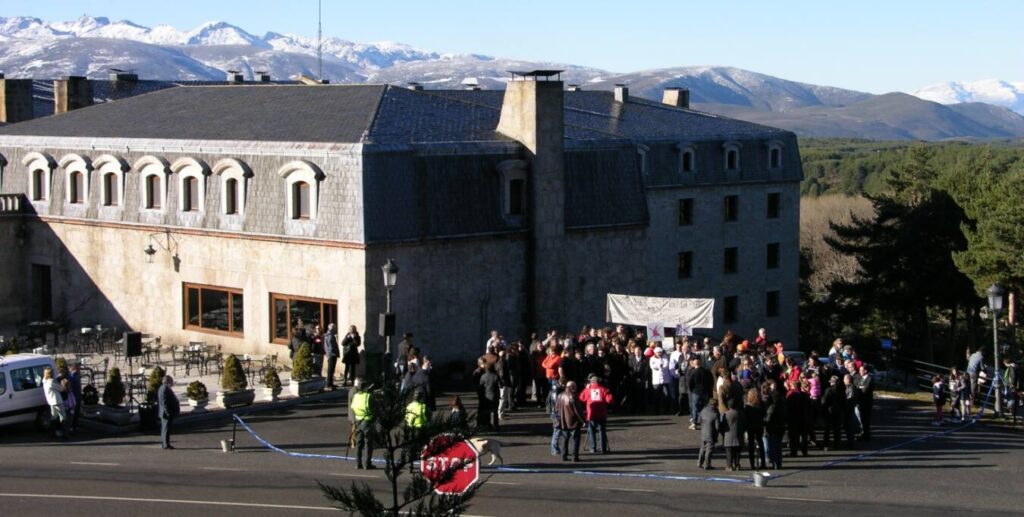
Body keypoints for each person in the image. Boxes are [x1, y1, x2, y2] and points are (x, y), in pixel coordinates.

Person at [580, 375, 613, 454]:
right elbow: (610, 400)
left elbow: (581, 398)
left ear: (591, 382)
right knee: (602, 431)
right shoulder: (603, 389)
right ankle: (603, 449)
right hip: (602, 414)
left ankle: (593, 448)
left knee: (591, 431)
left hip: (591, 414)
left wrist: (586, 388)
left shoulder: (588, 390)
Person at [351, 382, 376, 469]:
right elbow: (373, 408)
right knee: (368, 443)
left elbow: (353, 407)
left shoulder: (356, 396)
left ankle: (358, 463)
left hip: (358, 420)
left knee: (358, 443)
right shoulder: (368, 396)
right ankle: (367, 463)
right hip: (367, 421)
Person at [557, 380, 583, 462]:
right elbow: (577, 411)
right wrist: (583, 420)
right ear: (573, 387)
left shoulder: (560, 395)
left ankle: (564, 455)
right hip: (573, 421)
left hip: (563, 420)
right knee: (576, 439)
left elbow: (556, 408)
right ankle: (575, 456)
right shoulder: (573, 396)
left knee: (565, 439)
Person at [686, 356, 712, 429]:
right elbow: (710, 381)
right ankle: (705, 421)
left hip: (696, 392)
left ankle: (694, 422)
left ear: (695, 364)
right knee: (705, 407)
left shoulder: (694, 372)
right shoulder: (706, 371)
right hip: (705, 391)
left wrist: (692, 390)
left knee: (695, 407)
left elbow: (690, 383)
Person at [744, 387, 766, 470]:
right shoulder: (761, 405)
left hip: (750, 427)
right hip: (759, 426)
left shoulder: (748, 406)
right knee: (760, 443)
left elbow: (745, 417)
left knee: (751, 445)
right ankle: (763, 462)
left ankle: (752, 464)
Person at [43, 367, 67, 439]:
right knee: (63, 416)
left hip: (51, 401)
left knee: (54, 417)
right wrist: (64, 385)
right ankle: (63, 433)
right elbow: (61, 389)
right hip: (57, 401)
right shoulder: (51, 382)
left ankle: (52, 433)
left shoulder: (44, 381)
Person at [821, 375, 844, 450]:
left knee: (827, 430)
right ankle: (837, 445)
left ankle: (826, 445)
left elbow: (824, 401)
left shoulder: (829, 390)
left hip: (829, 411)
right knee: (837, 430)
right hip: (838, 411)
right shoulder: (842, 390)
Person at [158, 375, 180, 449]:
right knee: (166, 429)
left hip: (165, 412)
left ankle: (165, 443)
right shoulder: (165, 389)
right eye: (171, 380)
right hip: (166, 413)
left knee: (165, 429)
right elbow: (165, 402)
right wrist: (168, 412)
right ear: (168, 381)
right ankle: (166, 444)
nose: (172, 382)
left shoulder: (164, 388)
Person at [723, 396, 744, 471]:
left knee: (729, 452)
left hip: (728, 436)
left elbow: (723, 425)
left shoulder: (726, 414)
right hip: (738, 436)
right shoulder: (741, 413)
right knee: (738, 452)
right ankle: (737, 465)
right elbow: (744, 424)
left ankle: (729, 465)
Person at [697, 399, 719, 470]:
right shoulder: (715, 414)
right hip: (711, 434)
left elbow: (699, 420)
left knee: (702, 448)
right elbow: (717, 427)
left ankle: (699, 462)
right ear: (716, 405)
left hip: (703, 433)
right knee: (709, 449)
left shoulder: (703, 410)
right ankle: (707, 464)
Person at [479, 364, 501, 431]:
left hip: (487, 396)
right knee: (495, 411)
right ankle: (495, 424)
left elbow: (480, 386)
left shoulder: (483, 376)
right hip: (494, 395)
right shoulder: (495, 376)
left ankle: (488, 424)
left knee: (487, 411)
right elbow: (500, 384)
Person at [855, 365, 874, 440]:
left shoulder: (870, 379)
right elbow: (856, 386)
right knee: (862, 418)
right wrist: (861, 387)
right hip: (860, 401)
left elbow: (865, 390)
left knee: (866, 418)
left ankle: (866, 434)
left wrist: (860, 387)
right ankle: (863, 433)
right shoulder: (859, 377)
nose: (859, 371)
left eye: (861, 370)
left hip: (867, 402)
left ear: (865, 371)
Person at [323, 323, 340, 389]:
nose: (336, 329)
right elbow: (330, 346)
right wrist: (333, 353)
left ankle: (330, 383)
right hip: (332, 355)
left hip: (331, 354)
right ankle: (328, 385)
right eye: (335, 328)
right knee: (330, 370)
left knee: (331, 370)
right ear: (332, 329)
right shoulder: (330, 336)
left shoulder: (329, 335)